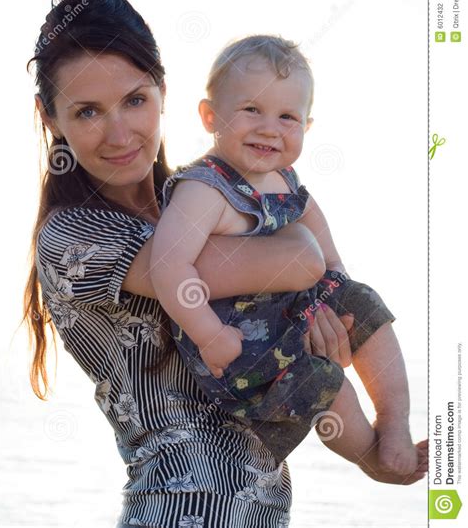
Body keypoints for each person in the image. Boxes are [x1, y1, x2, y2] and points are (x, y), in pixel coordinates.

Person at [23, 0, 427, 528]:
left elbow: (303, 296)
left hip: (256, 508)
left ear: (163, 92)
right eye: (88, 112)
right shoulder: (74, 237)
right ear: (51, 120)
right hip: (182, 506)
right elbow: (303, 260)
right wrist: (300, 246)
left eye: (134, 100)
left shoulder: (198, 197)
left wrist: (324, 338)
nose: (118, 132)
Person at [150, 35, 424, 471]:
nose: (268, 127)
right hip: (243, 347)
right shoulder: (204, 188)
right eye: (251, 109)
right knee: (325, 385)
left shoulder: (286, 179)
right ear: (209, 115)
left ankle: (393, 421)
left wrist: (340, 302)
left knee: (366, 303)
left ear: (306, 127)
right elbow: (166, 264)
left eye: (287, 116)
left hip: (294, 315)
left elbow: (329, 256)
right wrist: (208, 333)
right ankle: (370, 457)